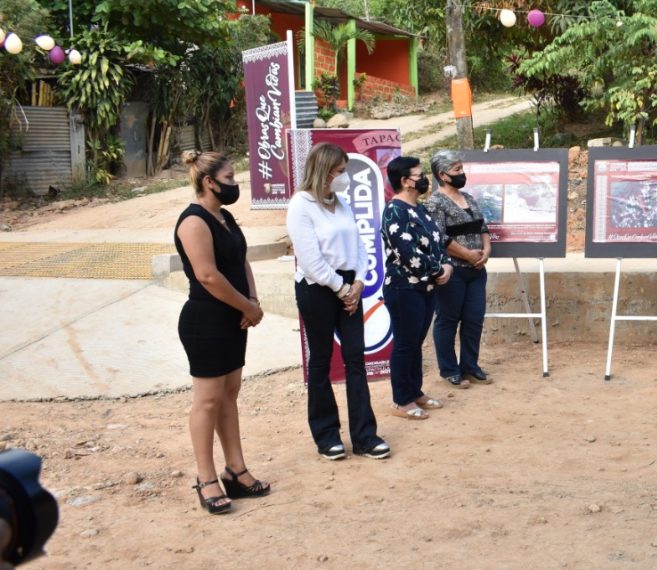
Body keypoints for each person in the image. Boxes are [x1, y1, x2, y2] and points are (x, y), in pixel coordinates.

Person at [175, 151, 270, 514]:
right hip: (207, 319)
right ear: (209, 182)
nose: (235, 184)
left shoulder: (224, 216)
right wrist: (247, 307)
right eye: (230, 178)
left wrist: (252, 297)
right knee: (208, 400)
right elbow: (208, 276)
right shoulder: (193, 221)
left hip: (233, 317)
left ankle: (236, 469)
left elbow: (240, 260)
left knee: (230, 394)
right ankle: (206, 477)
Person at [287, 142, 391, 461]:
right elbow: (309, 259)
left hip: (350, 287)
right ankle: (326, 435)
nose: (344, 177)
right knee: (320, 361)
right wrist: (341, 289)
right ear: (324, 171)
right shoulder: (301, 205)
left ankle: (364, 435)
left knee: (355, 360)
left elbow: (359, 245)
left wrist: (358, 282)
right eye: (339, 171)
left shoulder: (342, 201)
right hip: (317, 288)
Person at [381, 156, 453, 420]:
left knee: (416, 343)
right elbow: (407, 252)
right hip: (404, 289)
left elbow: (438, 242)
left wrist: (447, 266)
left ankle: (415, 391)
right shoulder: (394, 211)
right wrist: (437, 271)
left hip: (427, 288)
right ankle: (401, 400)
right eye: (419, 175)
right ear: (405, 181)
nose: (424, 179)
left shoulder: (420, 209)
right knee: (405, 344)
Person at [424, 151, 493, 389]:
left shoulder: (469, 198)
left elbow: (482, 227)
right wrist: (467, 255)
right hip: (452, 271)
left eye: (462, 168)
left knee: (474, 319)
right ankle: (450, 370)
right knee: (448, 320)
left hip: (477, 270)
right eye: (456, 170)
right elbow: (438, 237)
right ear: (442, 175)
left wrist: (486, 250)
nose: (462, 174)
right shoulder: (435, 203)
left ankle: (471, 367)